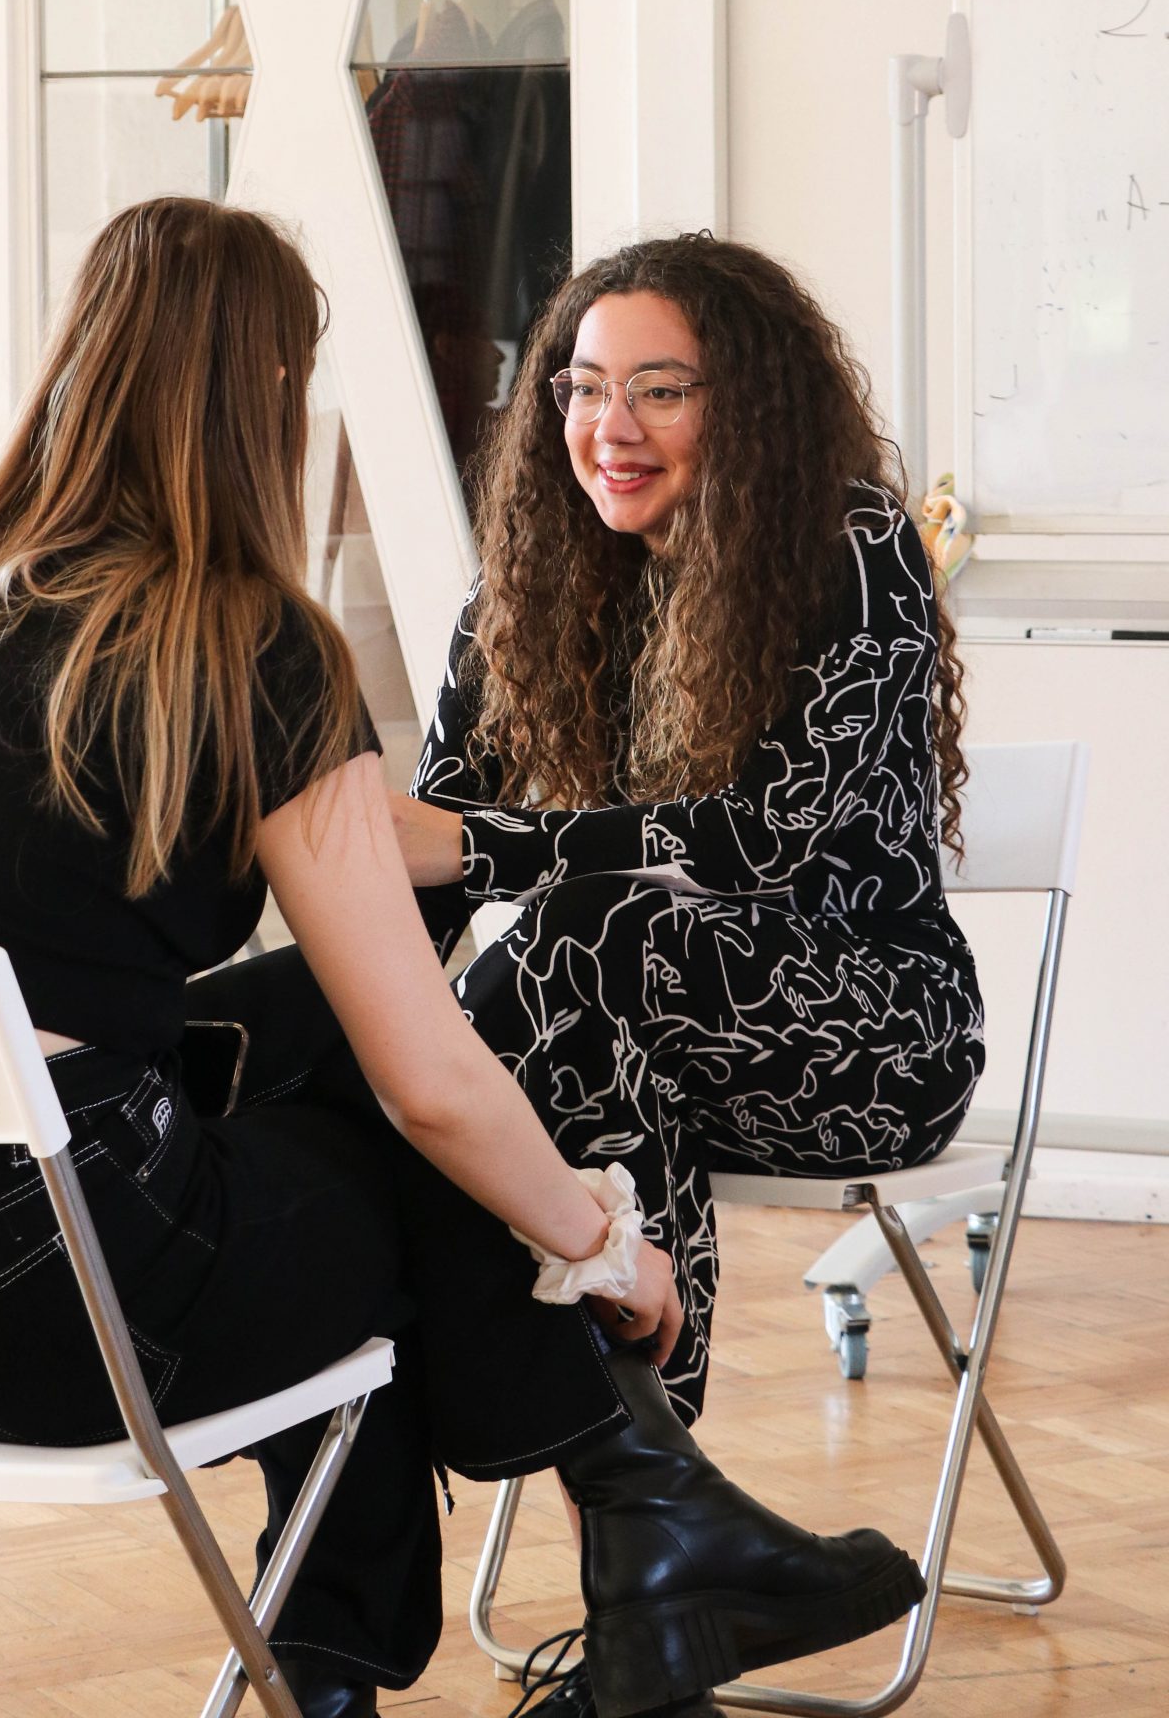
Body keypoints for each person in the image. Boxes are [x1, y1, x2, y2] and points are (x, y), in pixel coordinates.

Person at [0, 201, 925, 1718]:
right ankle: (530, 1577)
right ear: (267, 393)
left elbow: (422, 937)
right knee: (386, 1184)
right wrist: (600, 1248)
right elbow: (428, 1084)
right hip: (44, 1304)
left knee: (313, 1066)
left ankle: (647, 1532)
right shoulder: (248, 644)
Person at [393, 230, 985, 1716]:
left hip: (870, 1031)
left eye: (661, 389)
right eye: (584, 387)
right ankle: (659, 1565)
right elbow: (428, 855)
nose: (611, 426)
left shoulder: (851, 548)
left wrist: (476, 874)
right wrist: (370, 1027)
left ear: (752, 403)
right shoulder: (533, 581)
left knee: (585, 957)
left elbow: (762, 842)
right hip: (638, 1033)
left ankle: (658, 1545)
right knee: (515, 1056)